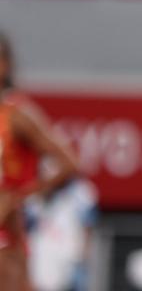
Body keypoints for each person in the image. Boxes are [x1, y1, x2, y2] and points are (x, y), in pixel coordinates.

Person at [0, 32, 81, 291]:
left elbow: (69, 161)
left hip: (10, 224)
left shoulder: (18, 114)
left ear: (4, 65)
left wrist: (23, 195)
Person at [27, 174, 98, 291]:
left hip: (70, 259)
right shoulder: (32, 193)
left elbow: (88, 227)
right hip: (39, 262)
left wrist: (83, 257)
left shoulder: (80, 191)